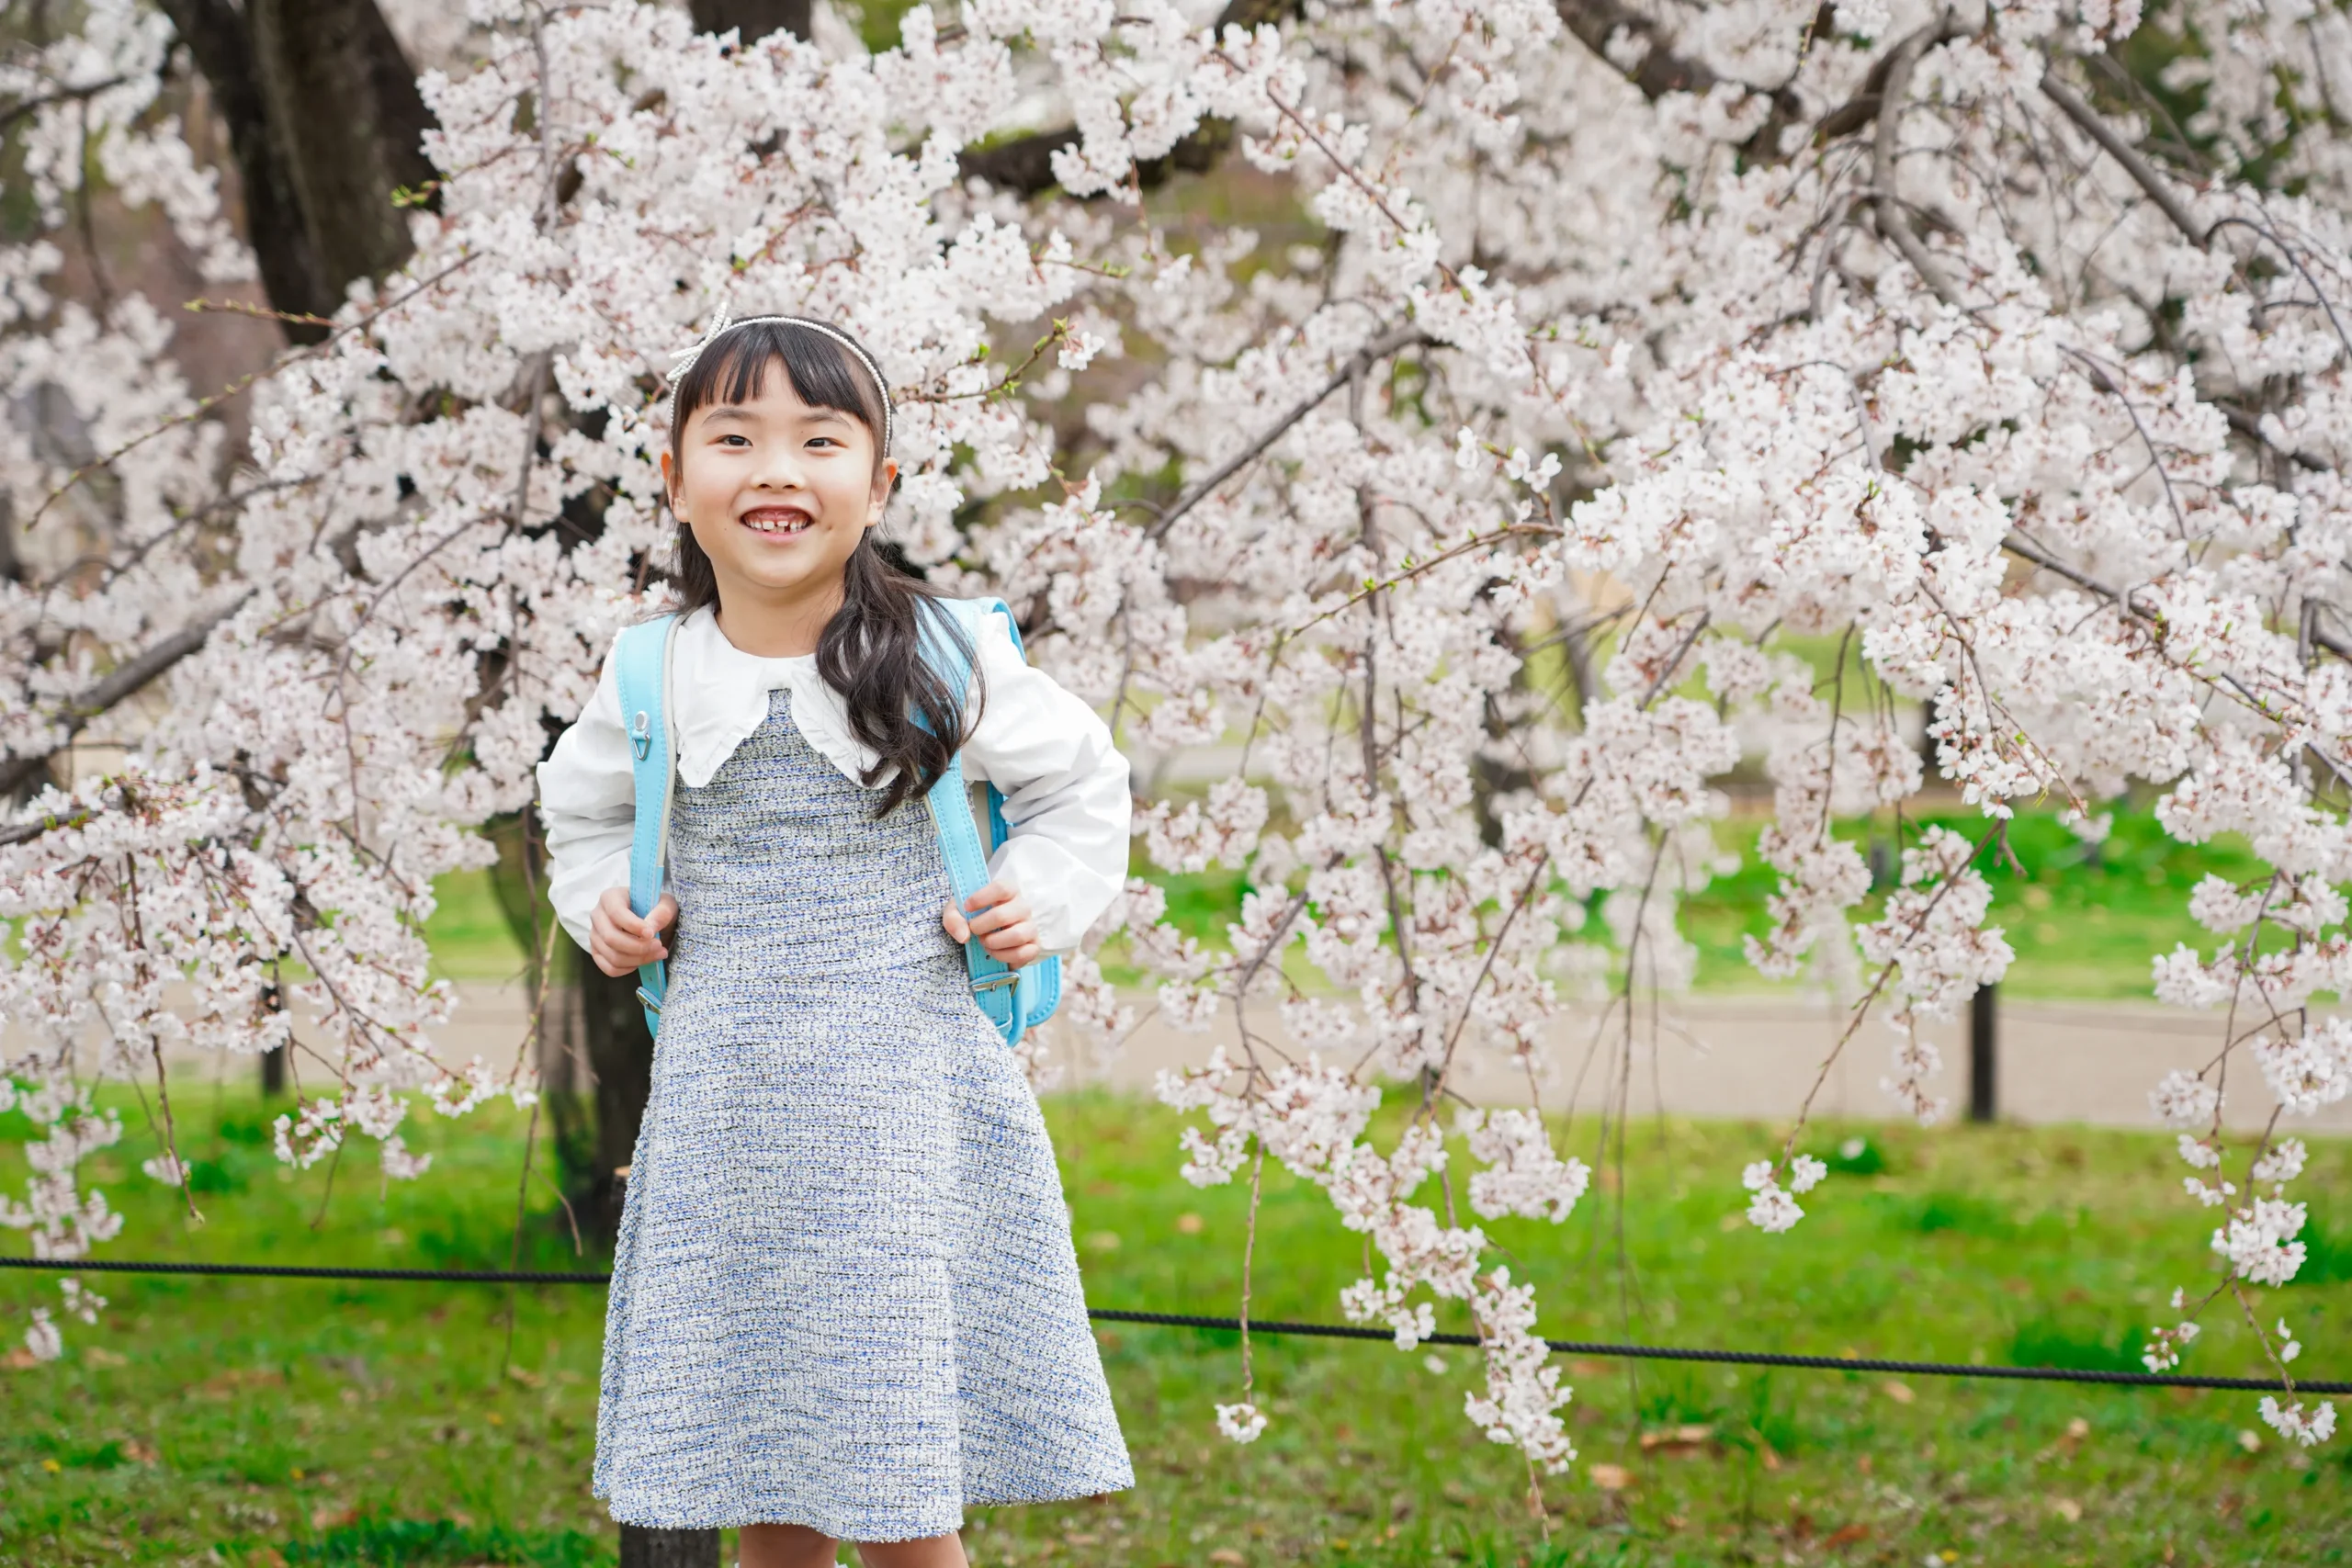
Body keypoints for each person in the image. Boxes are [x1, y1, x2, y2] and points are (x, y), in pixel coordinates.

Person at [536, 314, 1135, 1568]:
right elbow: (579, 811)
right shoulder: (652, 672)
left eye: (820, 438)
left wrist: (1037, 891)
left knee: (906, 1501)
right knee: (771, 1485)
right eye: (734, 436)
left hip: (902, 1118)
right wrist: (606, 902)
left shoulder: (936, 651)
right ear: (675, 478)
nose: (776, 470)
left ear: (880, 484)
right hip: (727, 1121)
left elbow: (1081, 784)